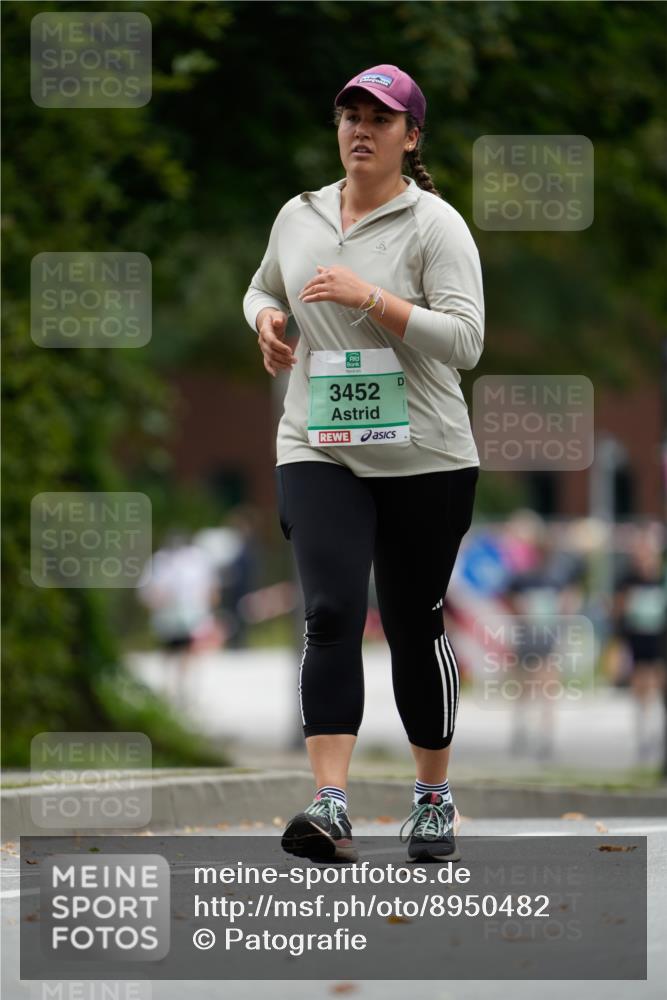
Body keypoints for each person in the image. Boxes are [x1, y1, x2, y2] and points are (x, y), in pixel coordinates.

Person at [243, 64, 484, 862]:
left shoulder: (434, 226)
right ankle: (330, 803)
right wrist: (270, 319)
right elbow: (259, 288)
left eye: (379, 119)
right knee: (331, 611)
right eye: (349, 114)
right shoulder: (299, 213)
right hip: (318, 445)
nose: (360, 129)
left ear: (410, 137)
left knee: (413, 626)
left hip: (424, 454)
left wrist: (368, 298)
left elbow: (466, 340)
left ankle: (432, 797)